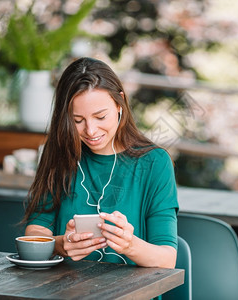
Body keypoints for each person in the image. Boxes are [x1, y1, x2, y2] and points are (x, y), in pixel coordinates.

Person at [22, 57, 178, 268]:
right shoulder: (59, 152)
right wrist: (61, 245)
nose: (91, 131)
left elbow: (167, 259)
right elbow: (36, 229)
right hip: (65, 291)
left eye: (100, 116)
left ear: (119, 103)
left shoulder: (154, 163)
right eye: (77, 120)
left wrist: (129, 245)